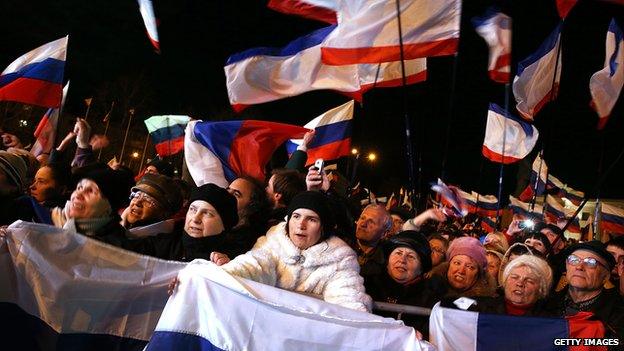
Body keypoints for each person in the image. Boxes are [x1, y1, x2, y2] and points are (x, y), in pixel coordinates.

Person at [217, 191, 372, 312]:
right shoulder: (272, 244)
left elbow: (348, 300)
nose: (301, 225)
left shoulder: (340, 260)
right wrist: (220, 276)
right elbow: (253, 265)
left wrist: (363, 327)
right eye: (296, 216)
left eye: (312, 219)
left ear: (324, 227)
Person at [119, 183, 240, 262]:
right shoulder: (164, 243)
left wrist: (228, 271)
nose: (195, 219)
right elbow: (117, 251)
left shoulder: (234, 260)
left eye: (207, 213)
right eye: (193, 209)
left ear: (224, 224)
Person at [365, 231, 445, 336]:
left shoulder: (430, 299)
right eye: (398, 253)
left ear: (421, 268)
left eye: (411, 257)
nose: (402, 260)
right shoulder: (367, 283)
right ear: (388, 260)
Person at [545, 241, 623, 341]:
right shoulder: (545, 303)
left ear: (605, 276)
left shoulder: (618, 315)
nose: (579, 267)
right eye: (573, 260)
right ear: (566, 267)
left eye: (590, 262)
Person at [443, 255, 554, 317]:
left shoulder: (550, 321)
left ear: (540, 289)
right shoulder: (479, 304)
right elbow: (445, 306)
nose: (520, 283)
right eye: (514, 277)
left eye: (529, 280)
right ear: (505, 281)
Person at [50, 167, 131, 240]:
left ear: (109, 208)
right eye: (79, 187)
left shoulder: (113, 247)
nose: (78, 194)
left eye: (91, 191)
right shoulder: (46, 218)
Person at [429, 236, 497, 298]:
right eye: (457, 263)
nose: (461, 271)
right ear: (448, 265)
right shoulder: (428, 288)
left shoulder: (485, 306)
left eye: (470, 267)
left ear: (478, 274)